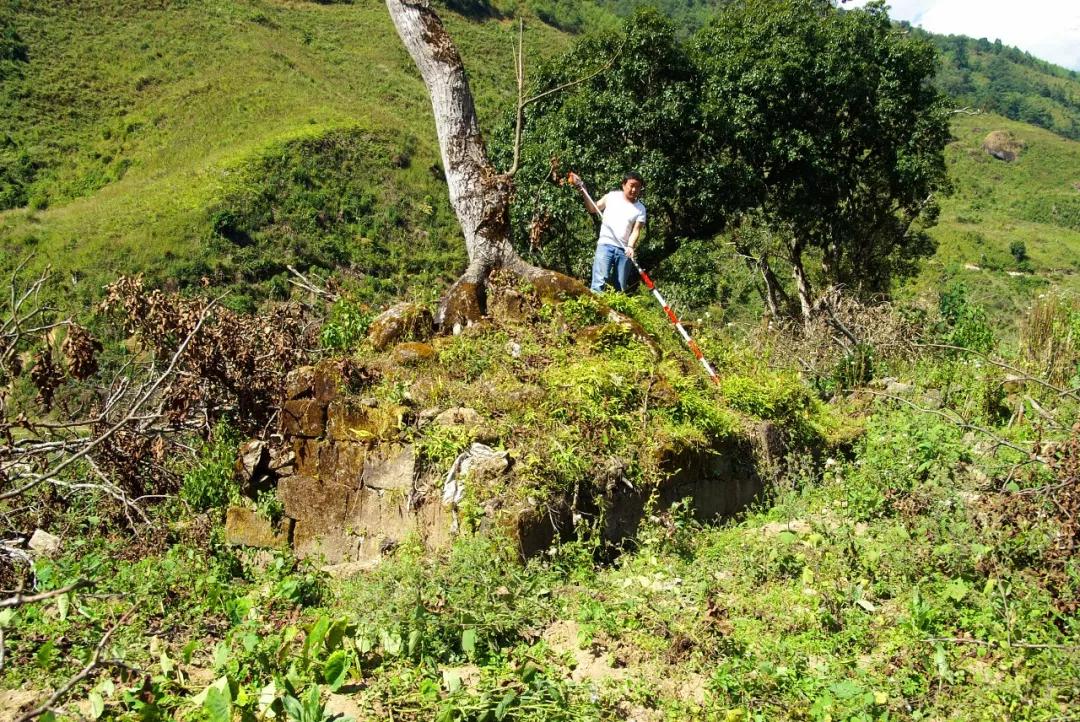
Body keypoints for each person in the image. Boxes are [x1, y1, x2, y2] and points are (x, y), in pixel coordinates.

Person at [573, 171, 646, 293]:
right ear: (624, 185)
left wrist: (630, 246)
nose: (634, 189)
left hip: (624, 251)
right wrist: (583, 190)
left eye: (637, 187)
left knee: (620, 286)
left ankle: (616, 311)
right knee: (599, 282)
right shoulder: (612, 196)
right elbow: (592, 208)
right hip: (605, 245)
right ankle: (595, 309)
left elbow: (636, 231)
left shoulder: (641, 209)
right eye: (632, 185)